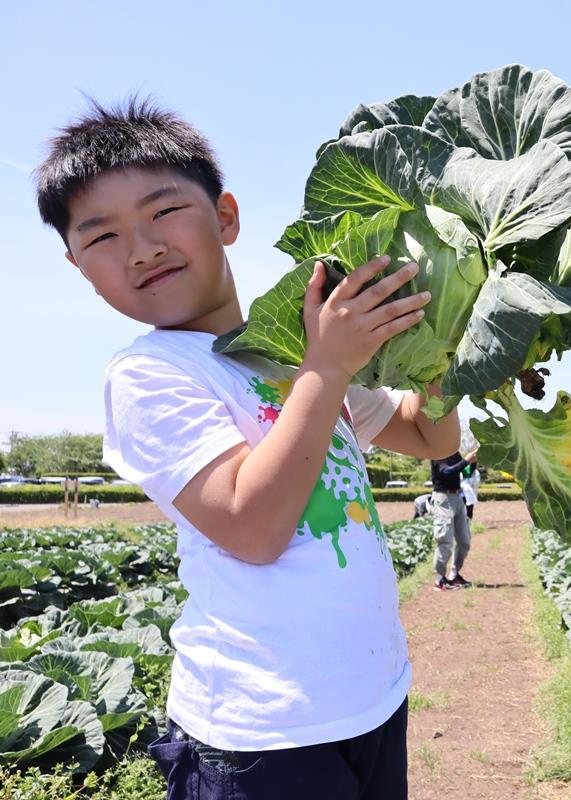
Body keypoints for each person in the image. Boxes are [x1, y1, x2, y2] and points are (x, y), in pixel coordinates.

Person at [44, 100, 462, 798]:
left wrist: (446, 337)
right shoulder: (150, 374)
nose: (142, 247)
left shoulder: (293, 350)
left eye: (163, 211)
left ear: (227, 217)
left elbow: (429, 435)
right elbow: (252, 528)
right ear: (78, 266)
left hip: (371, 697)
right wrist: (327, 368)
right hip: (259, 732)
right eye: (102, 237)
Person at [430, 451, 478, 589]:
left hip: (457, 497)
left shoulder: (453, 452)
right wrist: (467, 460)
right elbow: (447, 471)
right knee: (445, 540)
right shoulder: (437, 452)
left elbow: (464, 470)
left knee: (465, 541)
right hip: (443, 498)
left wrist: (473, 462)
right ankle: (439, 580)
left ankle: (454, 575)